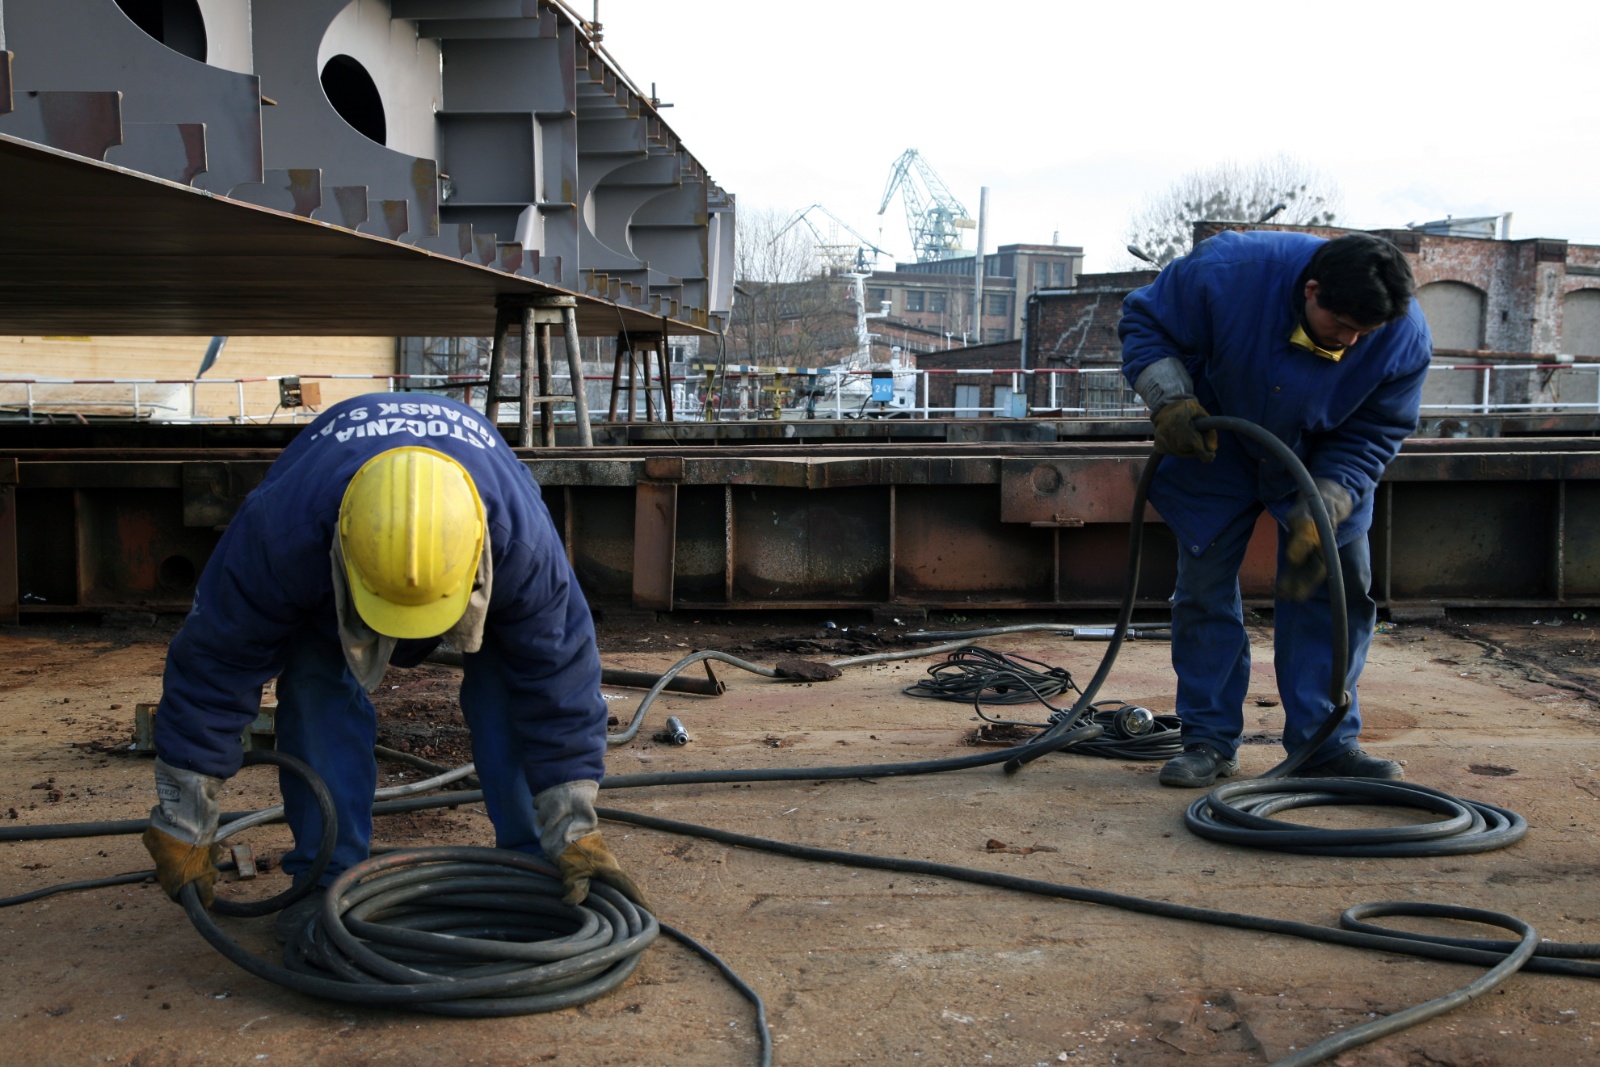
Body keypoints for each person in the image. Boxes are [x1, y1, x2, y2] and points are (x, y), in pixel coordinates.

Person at [140, 392, 645, 929]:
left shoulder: (520, 544)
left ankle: (536, 861)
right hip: (321, 548)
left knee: (510, 679)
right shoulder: (280, 534)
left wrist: (574, 826)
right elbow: (214, 668)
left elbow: (558, 685)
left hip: (478, 552)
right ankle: (327, 878)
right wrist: (184, 819)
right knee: (315, 683)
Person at [1118, 229, 1432, 788]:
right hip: (1216, 442)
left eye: (1365, 332)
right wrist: (1169, 397)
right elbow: (1146, 322)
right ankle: (1208, 740)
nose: (1352, 341)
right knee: (1204, 591)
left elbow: (1379, 427)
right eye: (1343, 325)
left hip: (1322, 459)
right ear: (1311, 291)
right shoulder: (1227, 272)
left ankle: (1324, 745)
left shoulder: (1402, 336)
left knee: (1333, 593)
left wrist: (1334, 493)